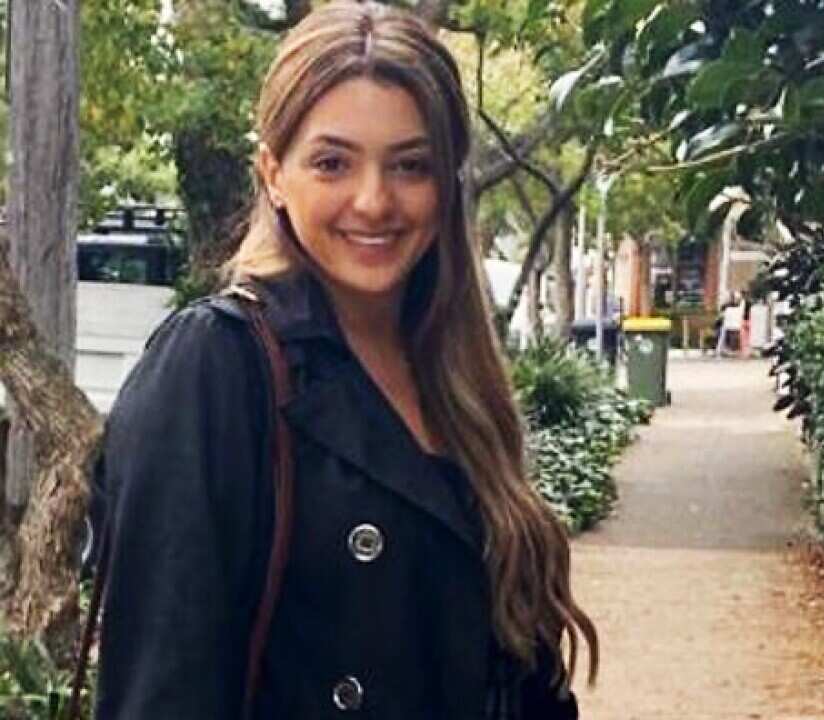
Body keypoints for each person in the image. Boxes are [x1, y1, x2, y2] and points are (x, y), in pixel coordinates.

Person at [90, 4, 596, 718]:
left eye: (409, 166)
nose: (373, 201)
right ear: (273, 174)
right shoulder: (215, 368)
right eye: (332, 162)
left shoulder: (459, 377)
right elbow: (162, 689)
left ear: (447, 184)